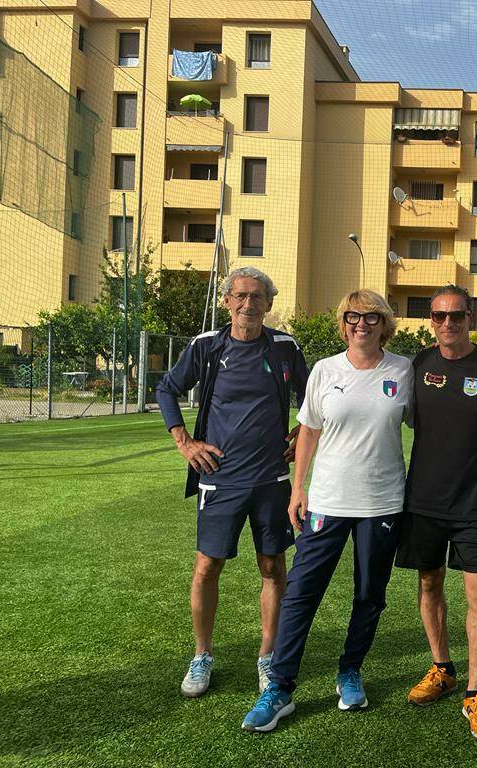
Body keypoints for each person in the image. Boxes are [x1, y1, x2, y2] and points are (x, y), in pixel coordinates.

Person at [241, 290, 413, 732]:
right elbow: (309, 433)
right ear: (343, 323)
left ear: (384, 324)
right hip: (329, 500)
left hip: (383, 502)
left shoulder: (403, 369)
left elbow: (431, 420)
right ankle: (279, 688)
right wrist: (298, 489)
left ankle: (350, 671)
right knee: (301, 593)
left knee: (370, 594)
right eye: (353, 316)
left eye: (371, 317)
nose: (361, 324)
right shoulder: (324, 370)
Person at [155, 267, 308, 699]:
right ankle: (202, 655)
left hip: (273, 479)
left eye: (257, 297)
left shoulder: (284, 347)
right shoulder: (206, 346)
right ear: (227, 302)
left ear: (269, 303)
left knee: (273, 566)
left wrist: (302, 431)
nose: (248, 304)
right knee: (207, 567)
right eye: (240, 296)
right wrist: (184, 442)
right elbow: (167, 389)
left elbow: (312, 397)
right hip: (219, 479)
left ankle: (268, 657)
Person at [397, 284, 477, 740]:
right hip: (423, 499)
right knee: (429, 584)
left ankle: (474, 692)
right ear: (431, 321)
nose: (448, 323)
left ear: (472, 318)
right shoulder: (417, 364)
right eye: (439, 316)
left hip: (474, 502)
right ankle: (442, 668)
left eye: (457, 315)